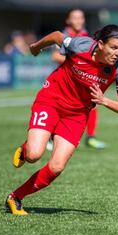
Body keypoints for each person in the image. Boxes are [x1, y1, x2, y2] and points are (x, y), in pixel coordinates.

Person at [5, 24, 118, 215]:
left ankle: (15, 197)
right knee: (33, 155)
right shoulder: (80, 45)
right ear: (100, 44)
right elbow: (57, 36)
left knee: (56, 167)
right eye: (113, 47)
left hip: (77, 114)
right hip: (51, 100)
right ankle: (26, 149)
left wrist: (104, 100)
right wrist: (36, 47)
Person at [48, 8, 106, 151]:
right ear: (68, 20)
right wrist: (77, 62)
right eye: (75, 18)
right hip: (65, 80)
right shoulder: (63, 36)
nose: (78, 20)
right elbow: (55, 56)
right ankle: (49, 137)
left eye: (81, 17)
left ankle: (91, 137)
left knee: (93, 104)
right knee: (59, 108)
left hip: (81, 80)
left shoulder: (87, 35)